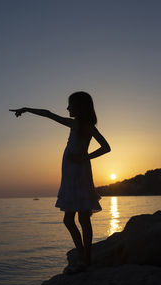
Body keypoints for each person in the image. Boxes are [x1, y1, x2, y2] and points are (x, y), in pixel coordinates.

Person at [9, 91, 111, 274]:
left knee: (82, 218)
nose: (67, 108)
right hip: (70, 175)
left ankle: (85, 259)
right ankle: (83, 257)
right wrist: (27, 109)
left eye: (70, 104)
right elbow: (49, 114)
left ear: (80, 107)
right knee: (70, 219)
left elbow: (106, 147)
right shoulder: (74, 124)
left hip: (79, 174)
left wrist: (85, 157)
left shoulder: (85, 125)